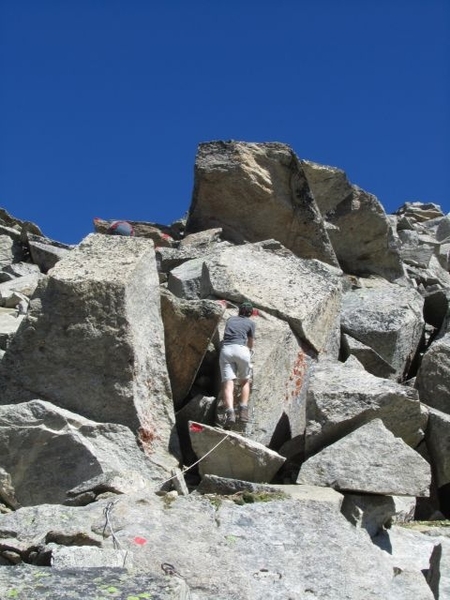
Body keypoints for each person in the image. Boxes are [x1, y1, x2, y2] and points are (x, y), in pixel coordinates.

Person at [219, 301, 256, 429]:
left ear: (239, 311)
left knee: (228, 382)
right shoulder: (251, 323)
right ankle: (243, 410)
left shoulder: (230, 320)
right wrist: (250, 351)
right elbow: (250, 341)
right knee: (245, 381)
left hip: (227, 350)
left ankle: (230, 413)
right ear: (250, 313)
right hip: (242, 350)